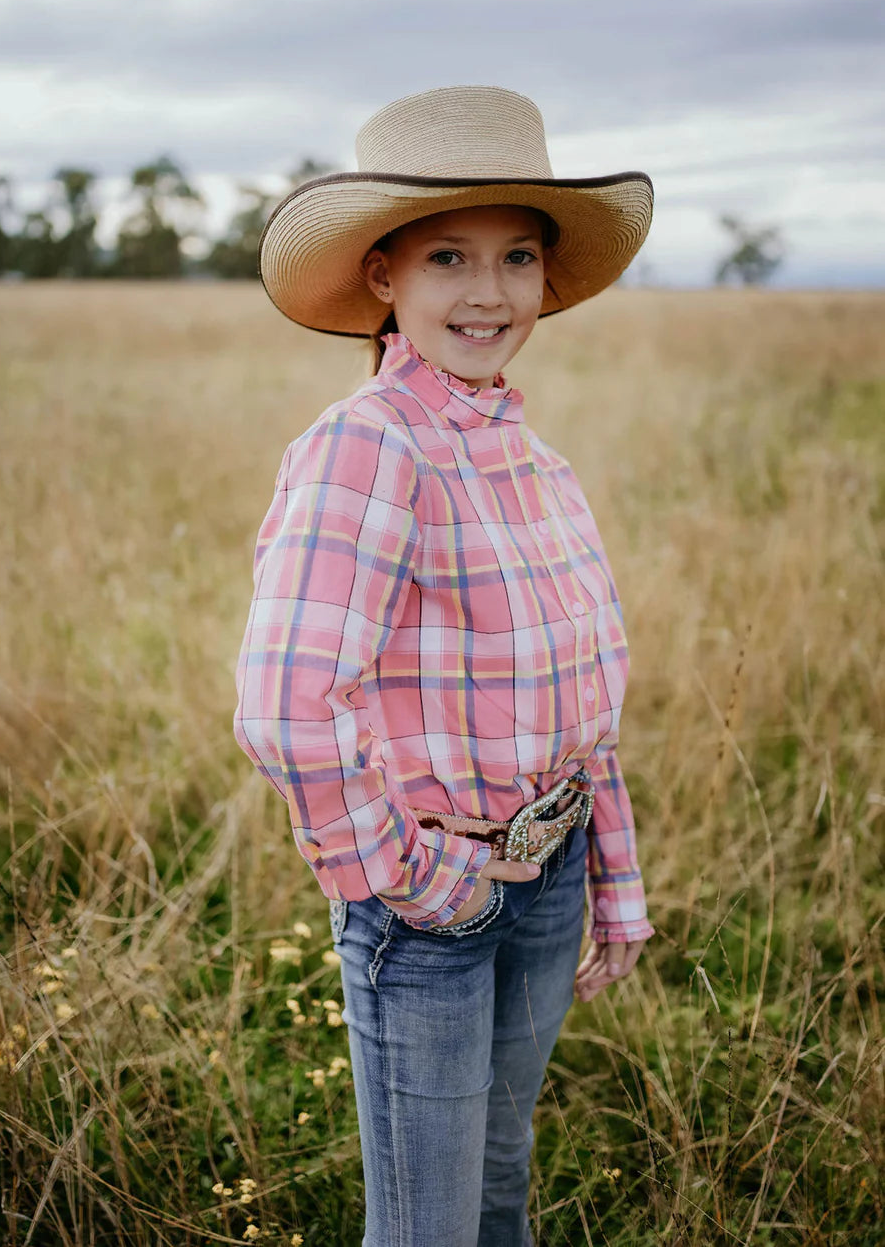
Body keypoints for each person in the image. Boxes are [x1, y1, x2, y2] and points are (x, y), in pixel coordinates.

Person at [233, 85, 656, 1247]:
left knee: (498, 1184)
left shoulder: (534, 461)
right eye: (450, 258)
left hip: (545, 873)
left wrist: (607, 873)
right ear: (384, 276)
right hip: (427, 905)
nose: (489, 292)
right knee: (424, 1225)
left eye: (518, 256)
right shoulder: (368, 447)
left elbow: (582, 698)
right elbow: (287, 709)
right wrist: (420, 883)